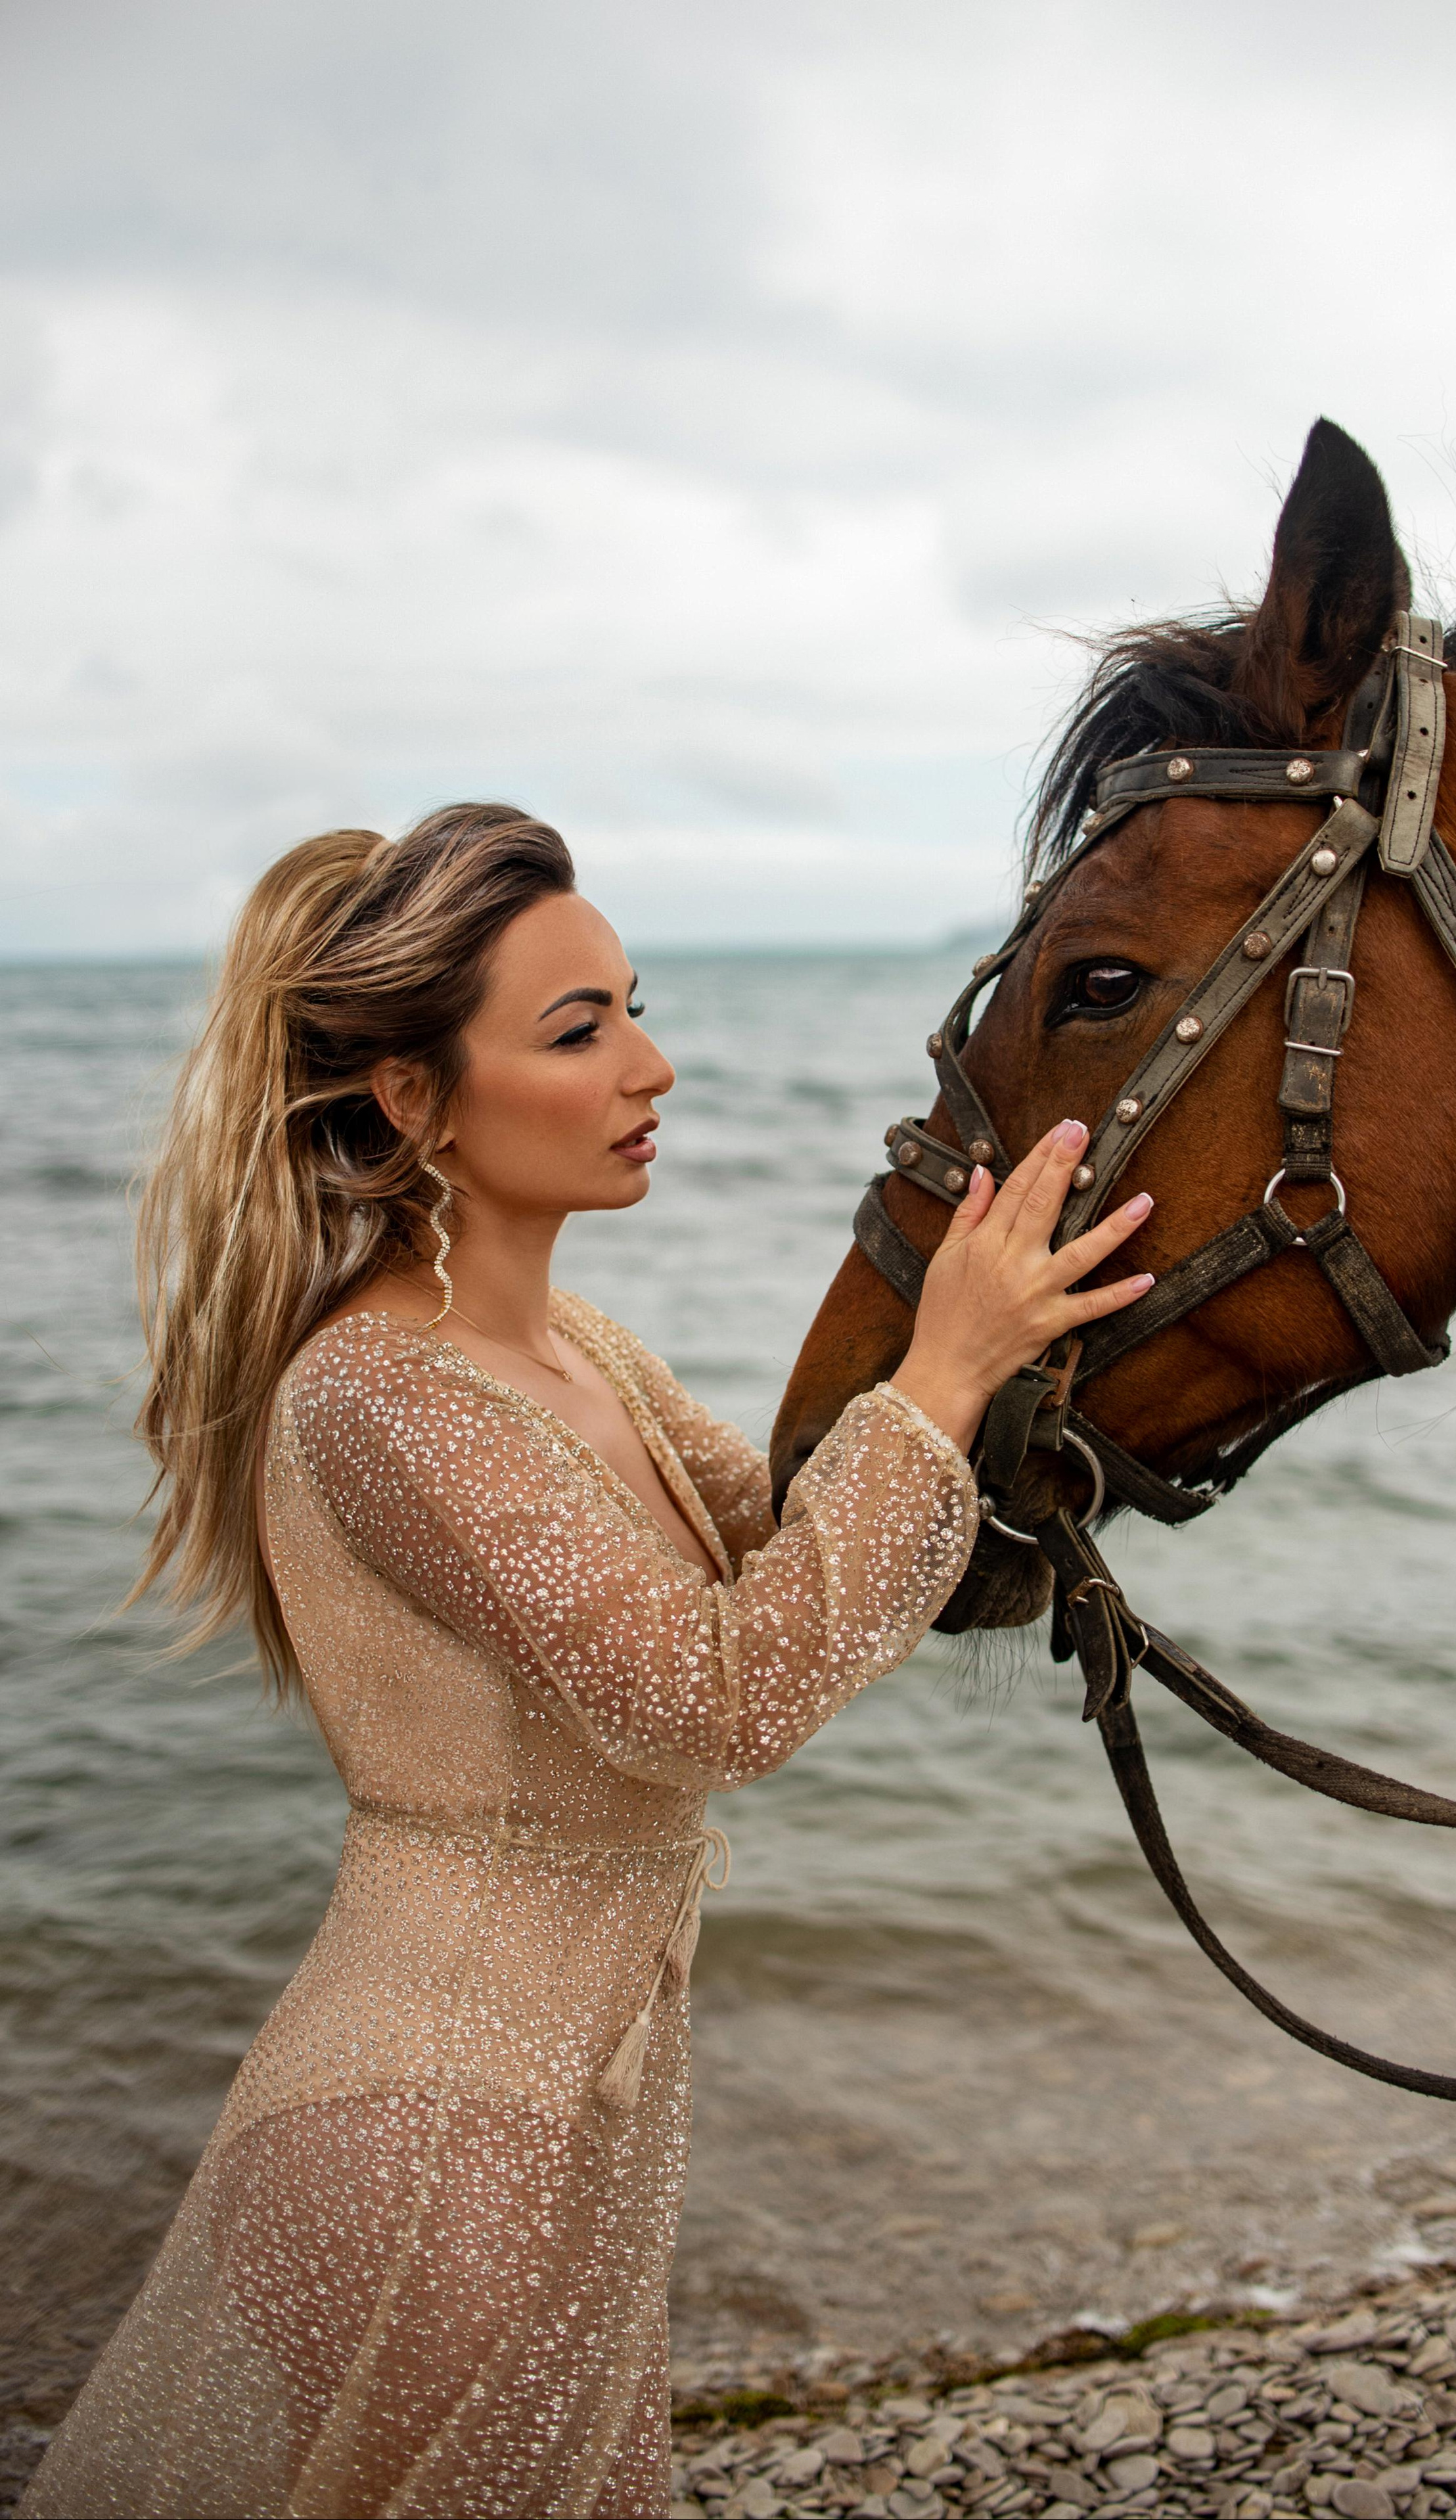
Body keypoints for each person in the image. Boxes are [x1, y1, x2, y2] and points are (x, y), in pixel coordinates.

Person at [20, 802, 1156, 2520]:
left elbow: (796, 1552)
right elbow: (718, 1697)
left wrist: (1006, 1372)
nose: (655, 1065)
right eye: (581, 1028)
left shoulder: (577, 1352)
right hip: (431, 2152)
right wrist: (937, 1372)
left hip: (560, 2135)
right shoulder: (380, 1395)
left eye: (633, 1004)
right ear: (409, 1096)